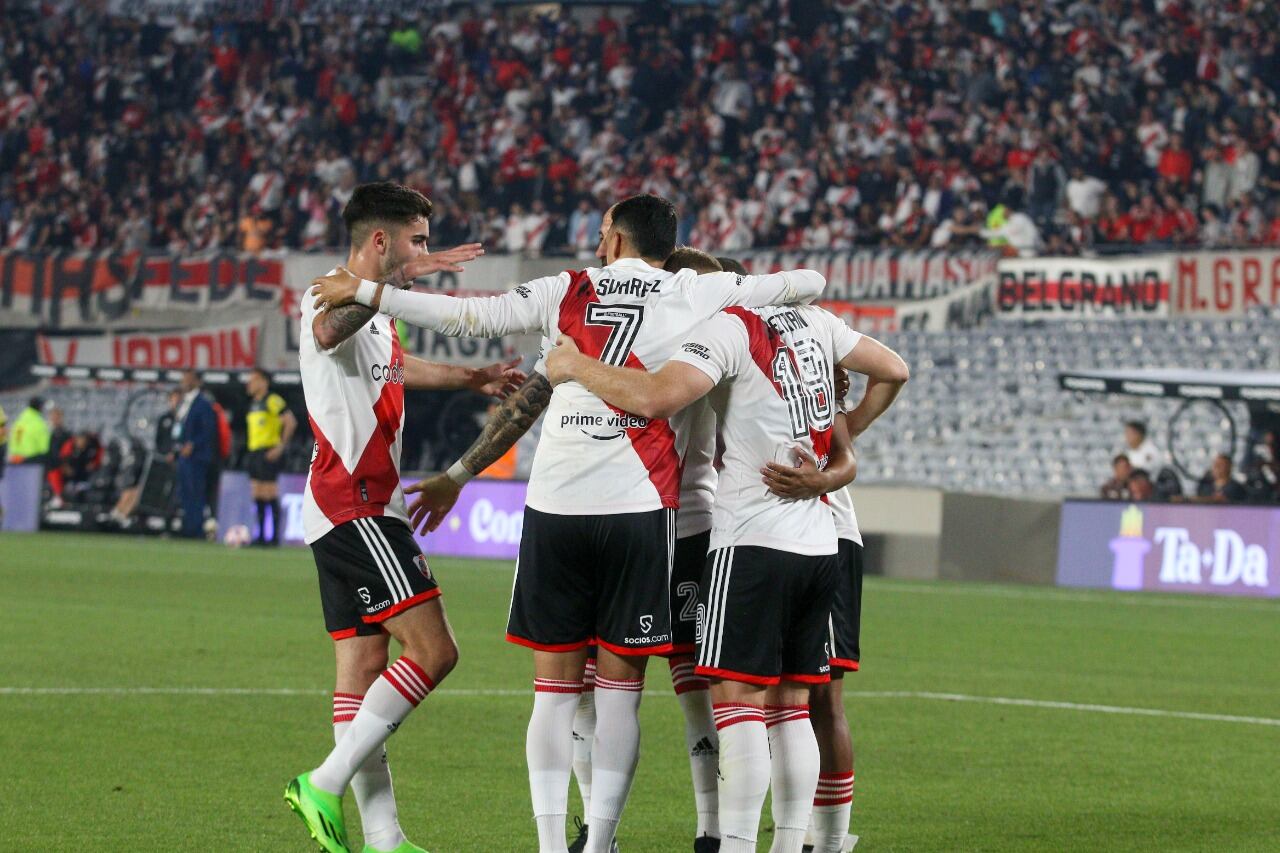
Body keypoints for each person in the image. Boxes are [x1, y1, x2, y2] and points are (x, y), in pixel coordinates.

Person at [310, 193, 829, 853]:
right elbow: (810, 282)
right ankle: (604, 839)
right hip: (638, 509)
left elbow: (473, 315)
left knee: (555, 694)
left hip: (556, 505)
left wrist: (372, 292)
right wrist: (726, 289)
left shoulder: (567, 288)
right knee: (619, 694)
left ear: (611, 235)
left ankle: (554, 845)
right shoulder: (698, 293)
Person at [544, 299, 908, 853]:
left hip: (751, 541)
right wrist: (834, 453)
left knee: (737, 702)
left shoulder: (731, 332)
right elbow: (889, 377)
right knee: (796, 706)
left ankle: (730, 841)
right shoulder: (811, 337)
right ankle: (794, 845)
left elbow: (656, 396)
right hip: (820, 543)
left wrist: (574, 367)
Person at [284, 181, 524, 853]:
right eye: (416, 239)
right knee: (436, 649)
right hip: (354, 502)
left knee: (363, 667)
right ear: (380, 239)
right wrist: (380, 285)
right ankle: (322, 781)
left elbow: (394, 366)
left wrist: (468, 378)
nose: (427, 250)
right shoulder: (331, 293)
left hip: (353, 503)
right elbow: (330, 329)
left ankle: (384, 839)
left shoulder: (377, 311)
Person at [243, 367, 298, 546]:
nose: (250, 383)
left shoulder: (272, 400)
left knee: (269, 492)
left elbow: (290, 422)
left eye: (254, 380)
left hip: (268, 451)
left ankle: (273, 537)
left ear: (263, 382)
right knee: (257, 492)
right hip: (254, 452)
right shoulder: (253, 403)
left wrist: (280, 447)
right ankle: (260, 536)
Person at [174, 370, 217, 538]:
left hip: (197, 457)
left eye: (189, 378)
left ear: (197, 382)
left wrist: (193, 444)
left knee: (196, 492)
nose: (184, 380)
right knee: (185, 492)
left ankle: (196, 530)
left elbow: (208, 430)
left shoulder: (204, 403)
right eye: (184, 377)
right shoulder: (184, 402)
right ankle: (187, 527)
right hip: (184, 456)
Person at [6, 397, 51, 466]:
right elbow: (45, 447)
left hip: (15, 459)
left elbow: (16, 440)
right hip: (31, 460)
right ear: (40, 407)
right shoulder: (38, 423)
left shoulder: (20, 421)